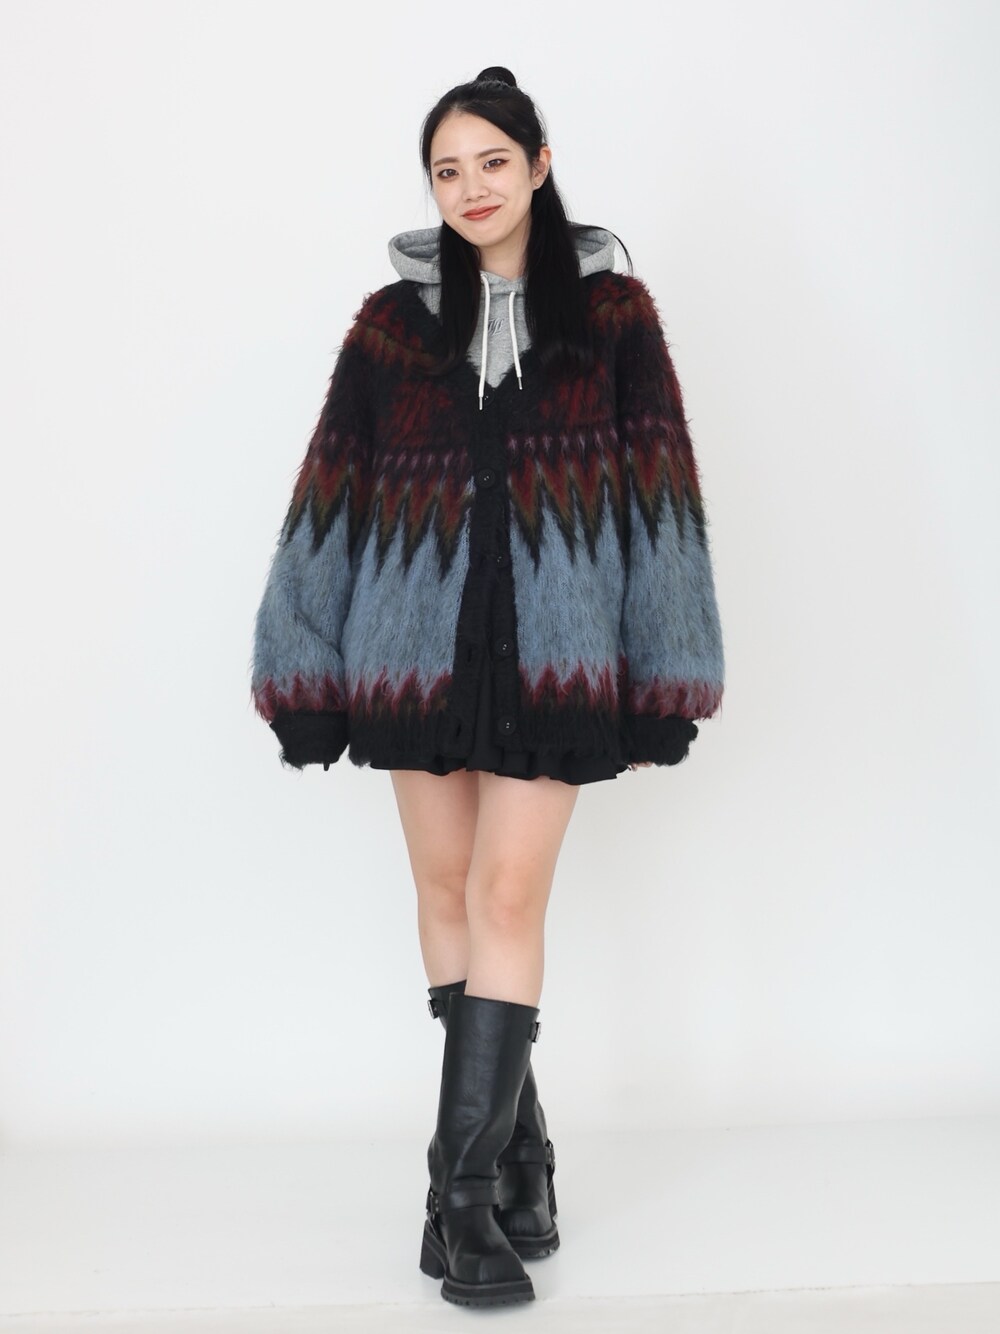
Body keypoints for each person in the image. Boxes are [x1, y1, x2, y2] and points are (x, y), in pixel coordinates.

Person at [249, 66, 725, 1309]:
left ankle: (455, 1200)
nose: (469, 188)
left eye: (491, 163)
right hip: (407, 656)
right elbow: (329, 491)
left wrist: (668, 668)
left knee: (507, 892)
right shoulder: (391, 324)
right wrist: (300, 666)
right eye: (446, 170)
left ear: (540, 165)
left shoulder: (610, 314)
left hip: (556, 661)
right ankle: (521, 1158)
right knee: (446, 889)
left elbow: (661, 494)